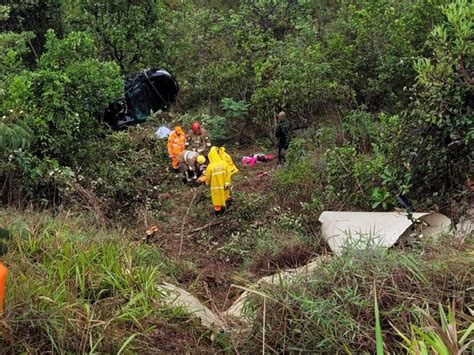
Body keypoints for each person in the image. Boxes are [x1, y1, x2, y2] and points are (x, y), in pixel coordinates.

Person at [204, 146, 232, 216]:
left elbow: (208, 178)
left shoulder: (210, 166)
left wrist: (208, 183)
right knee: (226, 196)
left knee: (217, 201)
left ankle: (218, 215)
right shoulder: (224, 163)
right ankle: (228, 210)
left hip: (215, 188)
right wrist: (227, 182)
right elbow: (229, 173)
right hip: (224, 186)